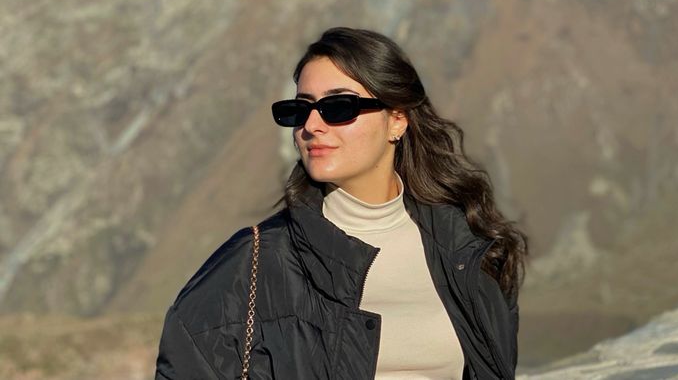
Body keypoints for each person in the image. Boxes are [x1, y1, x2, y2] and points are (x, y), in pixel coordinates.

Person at [155, 27, 528, 380]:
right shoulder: (251, 263)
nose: (312, 125)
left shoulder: (470, 250)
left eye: (338, 107)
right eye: (300, 109)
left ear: (397, 120)